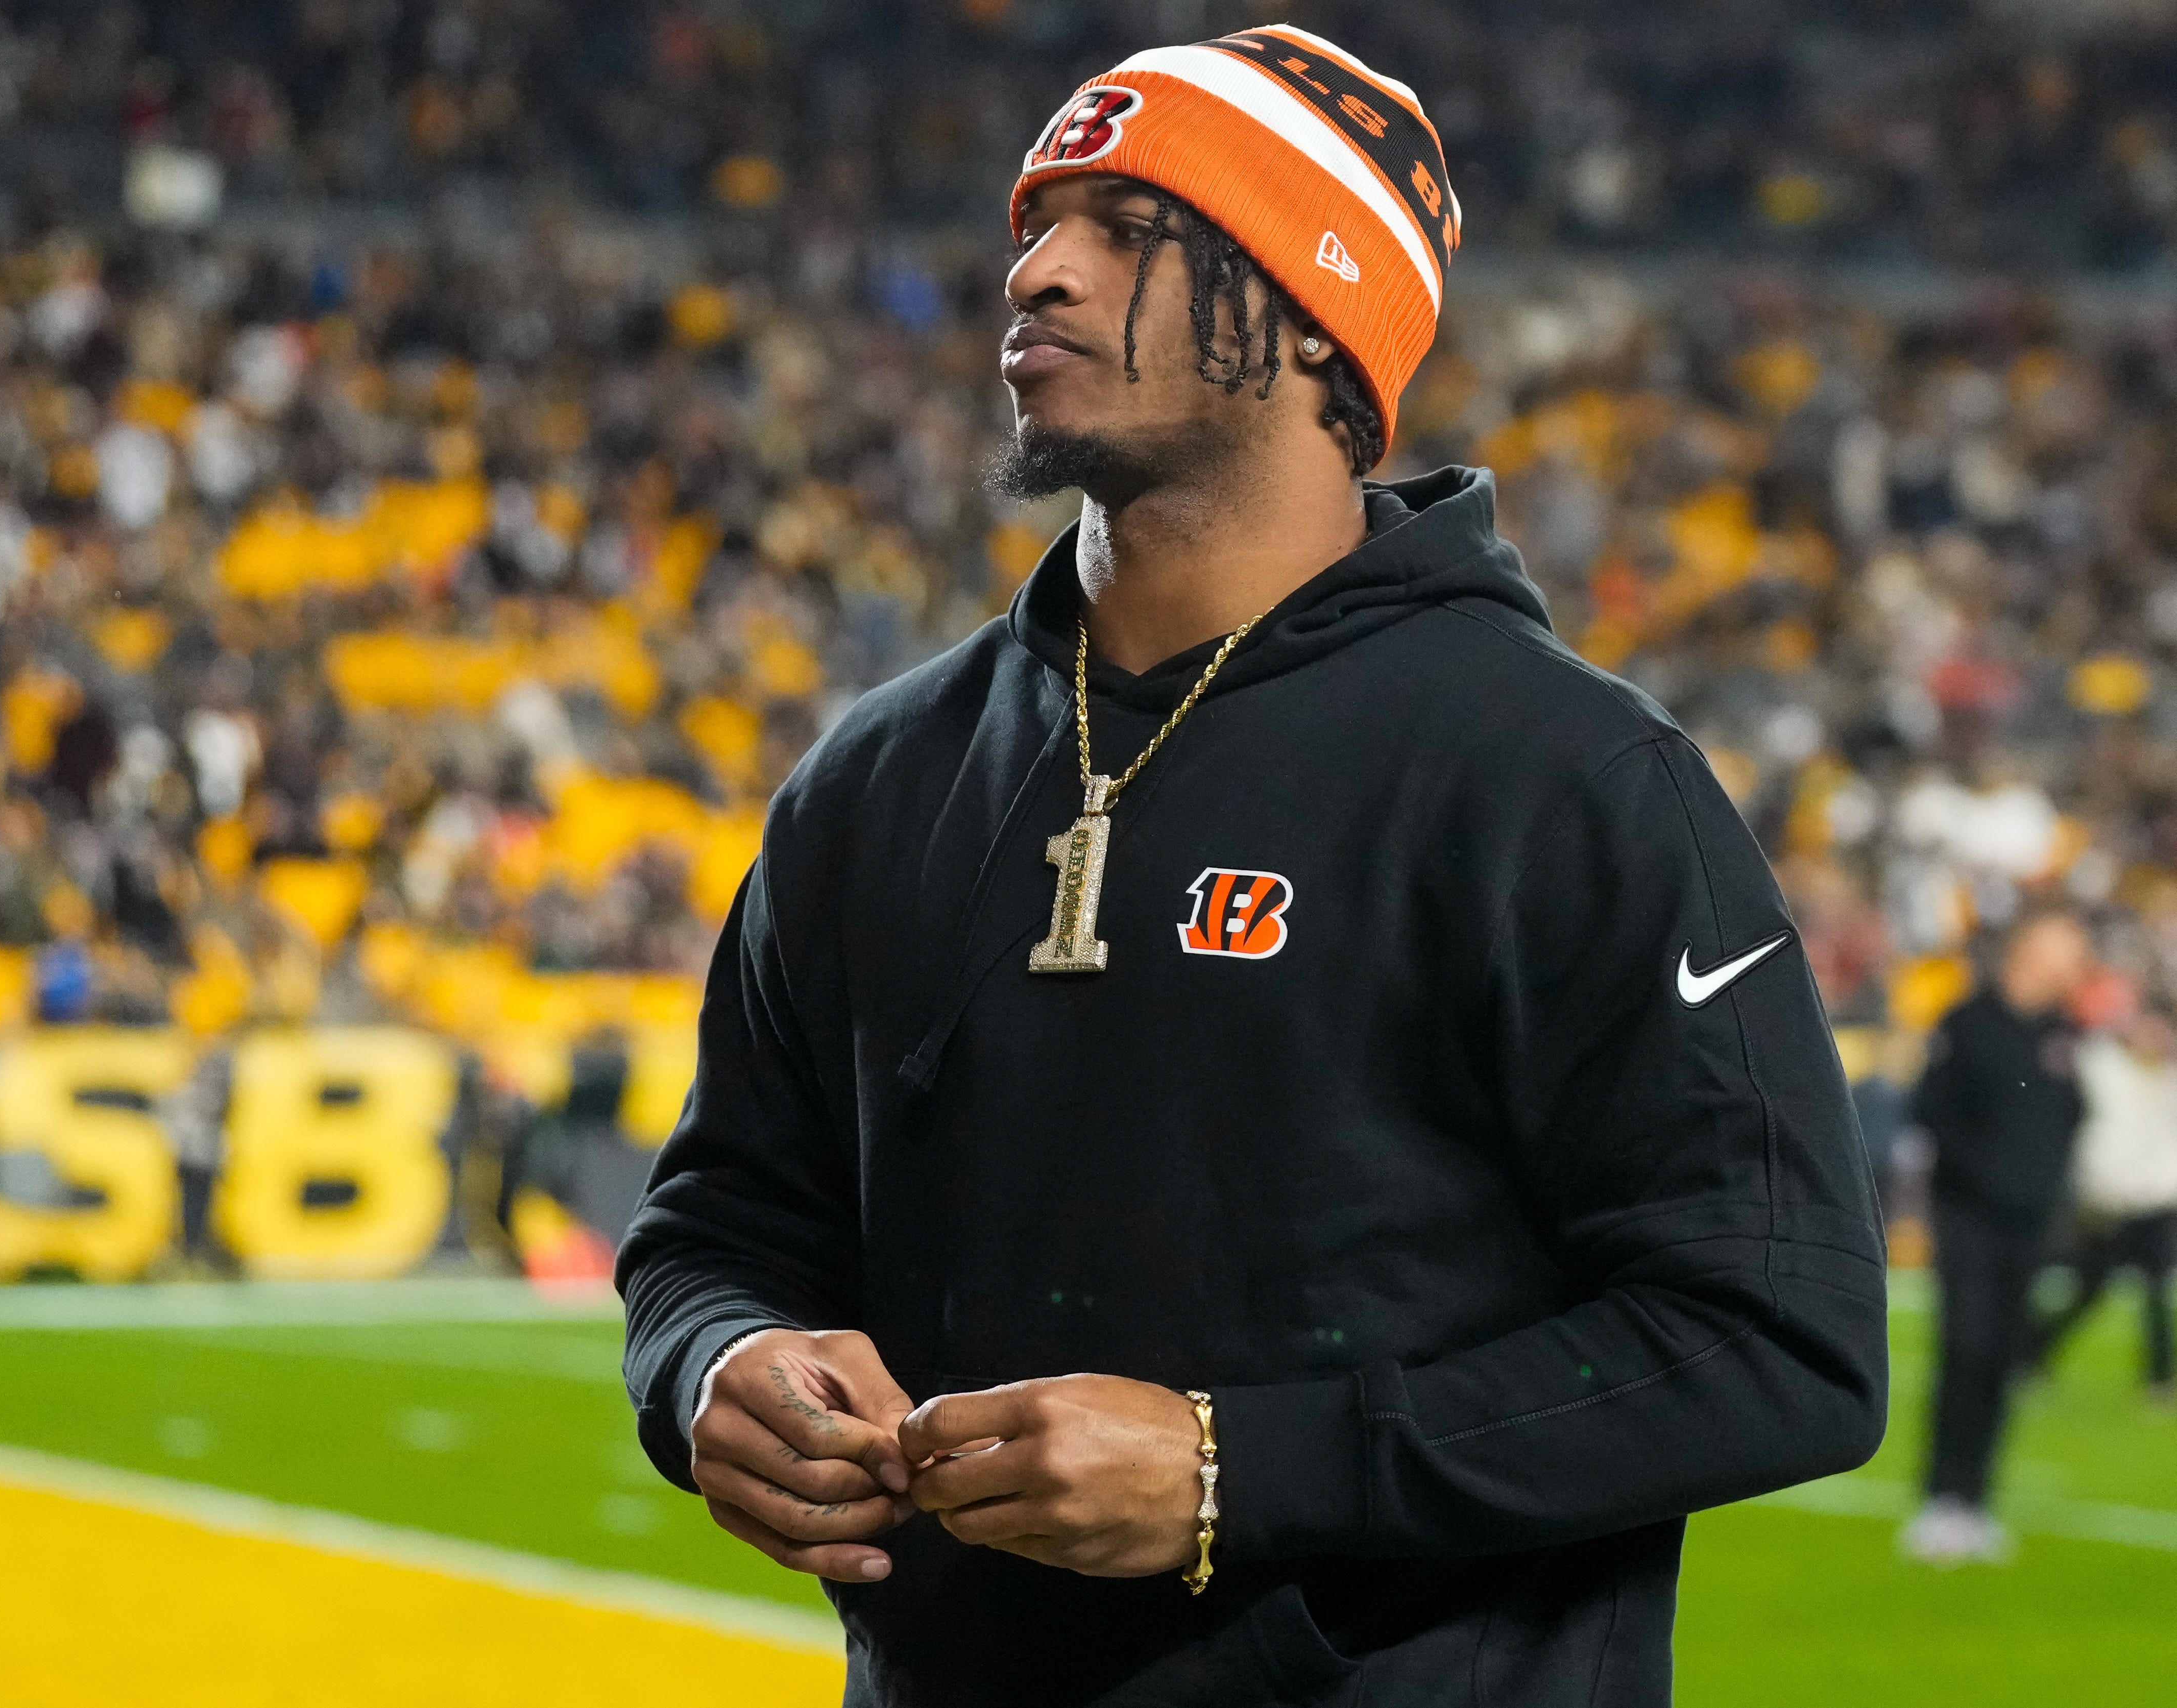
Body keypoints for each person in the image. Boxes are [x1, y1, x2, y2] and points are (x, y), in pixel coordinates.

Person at [619, 25, 1888, 1706]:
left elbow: (1776, 1338)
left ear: (1310, 308)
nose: (1034, 272)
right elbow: (720, 1222)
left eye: (1130, 228)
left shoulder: (1559, 774)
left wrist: (1239, 1469)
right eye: (1035, 225)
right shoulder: (878, 772)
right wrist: (713, 1366)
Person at [1900, 906, 2093, 1565]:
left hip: (2031, 1224)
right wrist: (1984, 1179)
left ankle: (1977, 1500)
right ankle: (1939, 1499)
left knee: (2004, 1359)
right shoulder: (1968, 1021)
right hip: (1970, 1219)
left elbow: (2072, 1115)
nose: (2075, 960)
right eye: (2065, 945)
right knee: (1965, 1350)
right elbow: (1932, 1109)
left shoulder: (2064, 1032)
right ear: (2028, 949)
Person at [2026, 1002, 2177, 1405]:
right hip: (2108, 1203)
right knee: (2090, 1289)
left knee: (2158, 1290)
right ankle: (2032, 1350)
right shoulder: (2102, 1069)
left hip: (2155, 1204)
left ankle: (2160, 1378)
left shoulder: (2167, 1078)